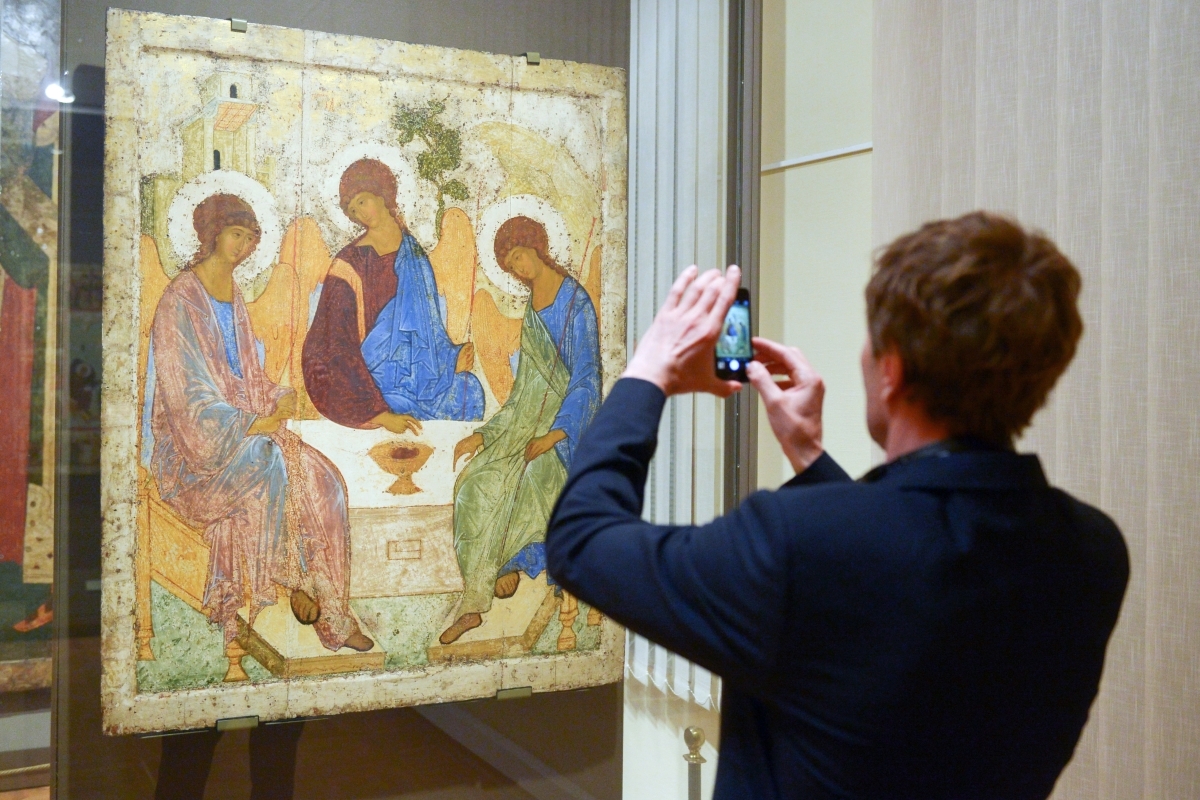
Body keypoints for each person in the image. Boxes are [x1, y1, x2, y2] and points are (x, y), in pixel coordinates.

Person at [546, 212, 1129, 799]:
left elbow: (582, 542)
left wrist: (648, 373)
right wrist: (809, 456)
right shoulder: (1092, 550)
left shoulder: (799, 543)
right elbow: (902, 590)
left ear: (892, 369)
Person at [147, 193, 373, 653]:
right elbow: (186, 398)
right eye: (236, 235)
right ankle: (290, 581)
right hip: (194, 456)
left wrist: (277, 396)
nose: (244, 246)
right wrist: (253, 422)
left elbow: (246, 378)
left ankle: (332, 608)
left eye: (250, 239)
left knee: (325, 479)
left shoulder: (233, 295)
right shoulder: (179, 300)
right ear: (213, 234)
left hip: (246, 431)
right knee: (267, 458)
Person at [441, 216, 600, 645]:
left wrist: (555, 435)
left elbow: (587, 379)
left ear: (536, 246)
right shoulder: (532, 312)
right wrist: (486, 435)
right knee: (473, 484)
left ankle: (495, 578)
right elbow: (524, 391)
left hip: (569, 434)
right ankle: (482, 585)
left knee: (530, 479)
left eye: (519, 256)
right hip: (527, 426)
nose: (519, 267)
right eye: (511, 264)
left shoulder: (575, 302)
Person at [302, 158, 483, 431]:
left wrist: (451, 359)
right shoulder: (348, 264)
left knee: (470, 392)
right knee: (398, 403)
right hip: (370, 380)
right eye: (353, 210)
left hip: (418, 374)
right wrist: (378, 414)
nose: (361, 214)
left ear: (381, 194)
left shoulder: (414, 254)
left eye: (362, 201)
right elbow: (332, 342)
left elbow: (430, 328)